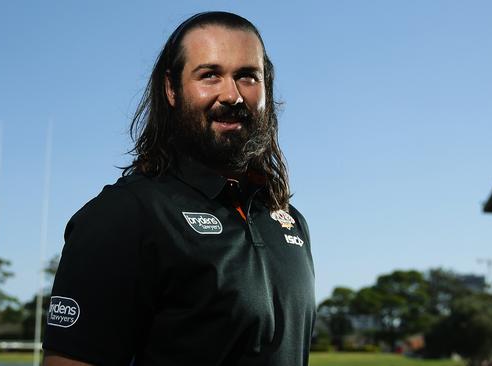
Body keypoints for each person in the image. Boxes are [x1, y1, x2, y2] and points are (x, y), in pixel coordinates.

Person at [43, 11, 315, 366]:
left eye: (248, 76)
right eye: (210, 75)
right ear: (171, 89)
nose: (231, 95)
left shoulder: (289, 221)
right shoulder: (125, 214)